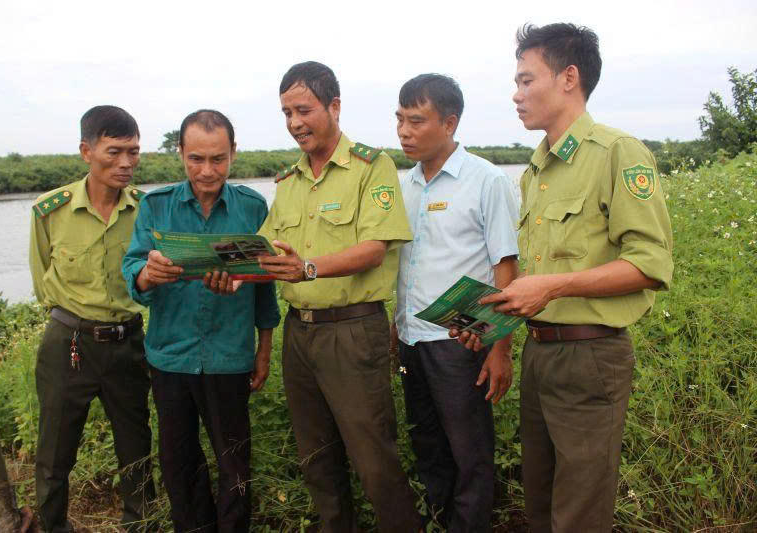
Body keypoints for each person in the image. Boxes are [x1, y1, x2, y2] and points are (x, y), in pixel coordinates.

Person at [455, 23, 673, 532]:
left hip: (590, 357)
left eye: (527, 80)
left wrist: (552, 287)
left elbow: (649, 264)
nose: (516, 94)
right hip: (542, 354)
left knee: (579, 513)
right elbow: (535, 277)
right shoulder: (536, 170)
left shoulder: (617, 153)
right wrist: (490, 324)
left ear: (569, 77)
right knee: (542, 507)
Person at [257, 61, 422, 532]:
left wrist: (308, 267)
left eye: (304, 110)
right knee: (317, 458)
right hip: (299, 335)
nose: (294, 123)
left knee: (373, 459)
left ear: (334, 106)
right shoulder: (288, 182)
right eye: (286, 112)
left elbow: (374, 249)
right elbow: (268, 251)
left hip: (352, 331)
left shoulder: (373, 167)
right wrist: (228, 271)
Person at [122, 110, 280, 533]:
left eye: (218, 159)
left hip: (230, 356)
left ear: (234, 153)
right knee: (178, 461)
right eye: (196, 159)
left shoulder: (251, 207)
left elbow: (265, 285)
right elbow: (133, 267)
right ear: (180, 153)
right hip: (171, 357)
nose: (207, 171)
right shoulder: (156, 206)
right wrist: (147, 272)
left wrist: (263, 351)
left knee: (235, 461)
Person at [392, 73, 519, 532]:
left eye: (416, 121)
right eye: (400, 120)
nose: (404, 131)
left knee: (470, 452)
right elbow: (406, 266)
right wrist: (396, 326)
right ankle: (442, 521)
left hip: (461, 340)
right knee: (428, 445)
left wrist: (500, 348)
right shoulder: (403, 185)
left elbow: (507, 267)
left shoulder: (487, 180)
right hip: (412, 340)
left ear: (449, 123)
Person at [28, 105, 155, 533]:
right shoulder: (50, 211)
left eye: (134, 152)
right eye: (114, 151)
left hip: (128, 344)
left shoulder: (145, 211)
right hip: (70, 345)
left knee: (136, 449)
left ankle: (140, 525)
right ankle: (52, 526)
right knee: (54, 454)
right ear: (86, 150)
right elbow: (42, 279)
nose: (126, 163)